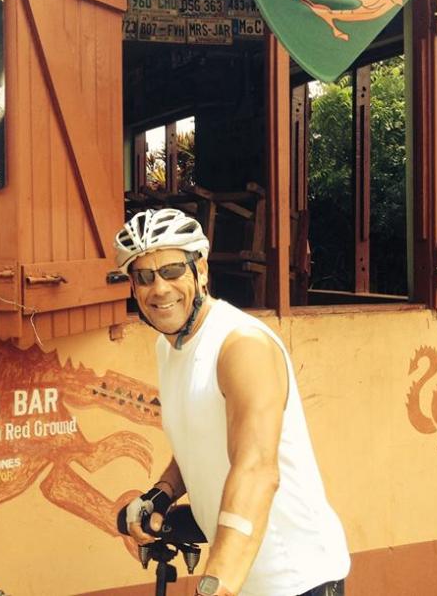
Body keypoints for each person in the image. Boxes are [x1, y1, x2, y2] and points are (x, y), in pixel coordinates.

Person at [114, 208, 350, 596]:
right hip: (241, 580)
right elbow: (200, 437)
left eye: (172, 271)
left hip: (296, 578)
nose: (159, 288)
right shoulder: (168, 347)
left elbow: (256, 470)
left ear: (201, 270)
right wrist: (162, 492)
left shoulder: (240, 345)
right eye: (144, 276)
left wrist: (214, 587)